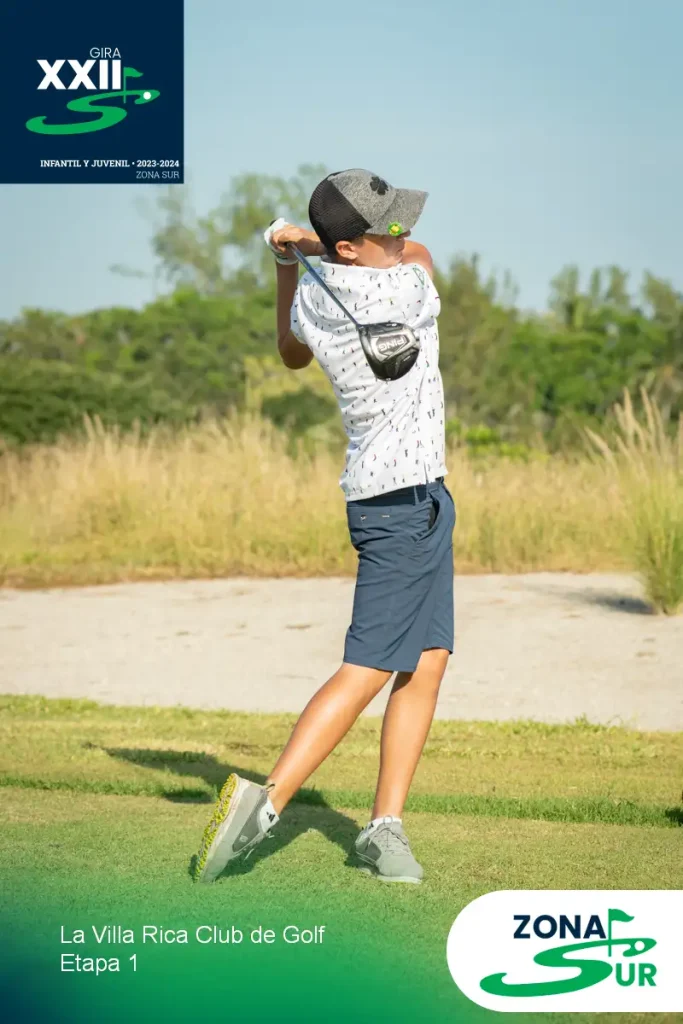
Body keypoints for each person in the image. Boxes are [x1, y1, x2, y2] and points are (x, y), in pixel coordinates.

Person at [194, 168, 455, 885]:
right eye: (387, 228)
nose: (402, 235)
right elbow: (423, 254)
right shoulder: (408, 285)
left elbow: (289, 349)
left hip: (410, 499)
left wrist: (288, 261)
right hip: (401, 507)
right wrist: (307, 244)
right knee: (369, 665)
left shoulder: (316, 296)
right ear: (347, 247)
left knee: (427, 657)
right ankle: (264, 806)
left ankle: (383, 827)